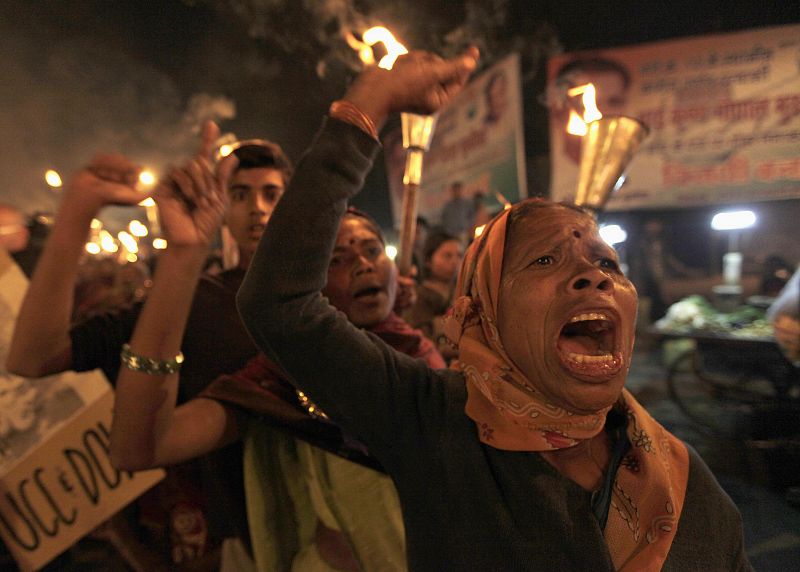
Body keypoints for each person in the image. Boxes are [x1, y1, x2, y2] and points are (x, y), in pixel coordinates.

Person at [237, 48, 752, 570]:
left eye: (607, 264)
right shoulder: (433, 423)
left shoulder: (685, 480)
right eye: (545, 258)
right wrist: (369, 104)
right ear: (487, 314)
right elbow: (279, 304)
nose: (594, 274)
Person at [108, 142, 443, 570]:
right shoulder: (294, 370)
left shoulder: (430, 346)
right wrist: (183, 255)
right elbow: (139, 448)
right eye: (337, 258)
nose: (363, 265)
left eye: (373, 250)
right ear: (312, 288)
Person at [6, 124, 293, 569]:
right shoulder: (193, 300)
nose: (256, 208)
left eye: (272, 194)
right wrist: (79, 209)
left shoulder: (326, 300)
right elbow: (34, 356)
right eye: (239, 194)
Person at [403, 229, 463, 360]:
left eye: (459, 256)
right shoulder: (419, 296)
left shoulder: (463, 291)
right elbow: (421, 342)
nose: (455, 262)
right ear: (428, 261)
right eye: (447, 256)